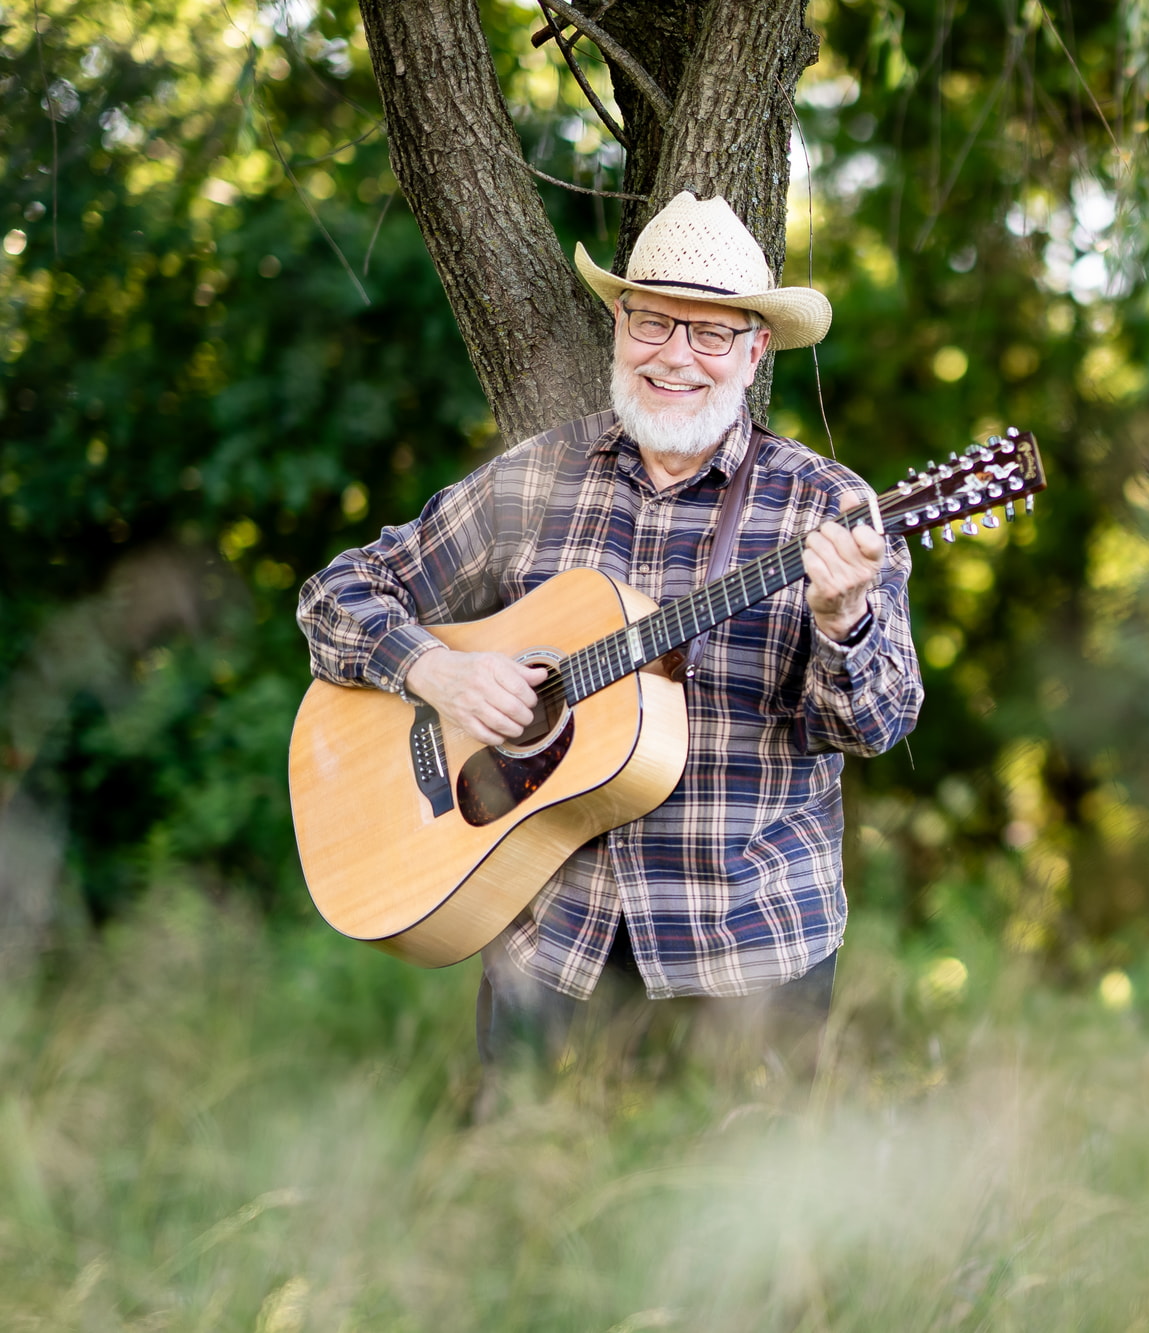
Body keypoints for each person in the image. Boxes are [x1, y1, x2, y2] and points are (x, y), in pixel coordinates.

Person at [296, 192, 923, 1085]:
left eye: (711, 334)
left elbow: (879, 724)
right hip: (548, 952)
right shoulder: (537, 480)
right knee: (521, 1208)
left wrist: (842, 620)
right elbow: (335, 594)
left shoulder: (829, 509)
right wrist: (438, 672)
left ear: (754, 354)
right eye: (655, 321)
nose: (676, 355)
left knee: (737, 1224)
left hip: (744, 959)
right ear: (619, 327)